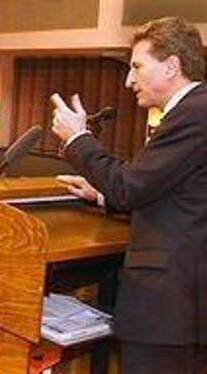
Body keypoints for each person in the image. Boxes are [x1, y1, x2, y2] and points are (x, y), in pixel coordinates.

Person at [50, 17, 207, 373]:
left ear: (171, 66)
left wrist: (78, 138)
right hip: (180, 308)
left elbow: (131, 186)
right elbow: (171, 195)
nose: (128, 80)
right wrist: (101, 196)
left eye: (136, 66)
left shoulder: (194, 113)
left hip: (167, 308)